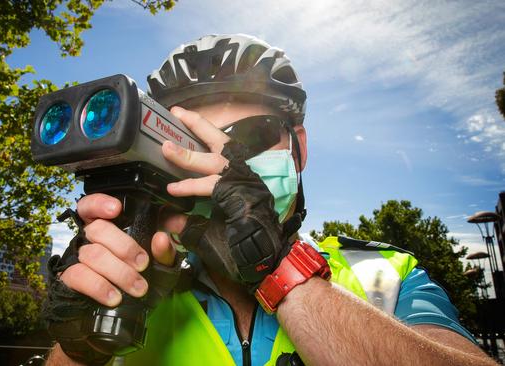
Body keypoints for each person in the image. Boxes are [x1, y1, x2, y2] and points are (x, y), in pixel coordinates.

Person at [44, 34, 495, 366]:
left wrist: (277, 268)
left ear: (300, 145)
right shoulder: (138, 292)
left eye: (253, 136)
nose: (222, 165)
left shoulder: (385, 276)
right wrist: (82, 346)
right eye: (198, 144)